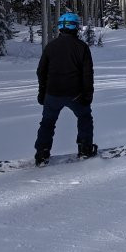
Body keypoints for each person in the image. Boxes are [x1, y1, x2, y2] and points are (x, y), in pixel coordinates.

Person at [34, 12, 96, 166]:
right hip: (75, 94)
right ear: (76, 27)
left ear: (60, 27)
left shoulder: (51, 46)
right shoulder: (82, 47)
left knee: (47, 122)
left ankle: (42, 153)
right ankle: (85, 149)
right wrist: (88, 95)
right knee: (85, 118)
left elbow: (41, 71)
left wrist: (42, 93)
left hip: (53, 94)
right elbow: (88, 74)